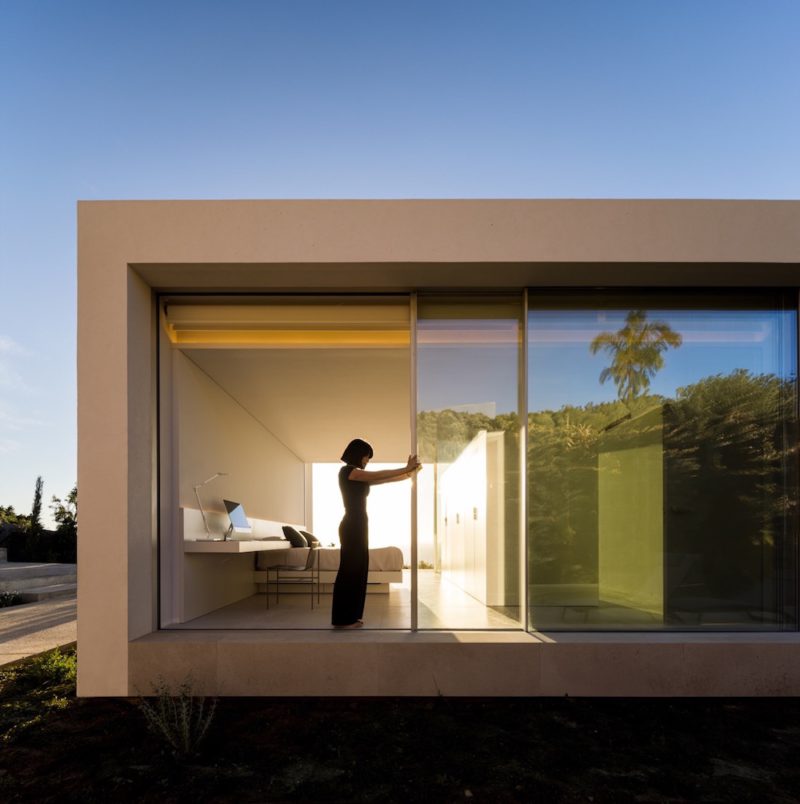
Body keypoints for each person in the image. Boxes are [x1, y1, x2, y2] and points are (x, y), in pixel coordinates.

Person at [331, 438, 421, 629]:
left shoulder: (360, 477)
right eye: (366, 457)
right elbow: (379, 473)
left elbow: (385, 478)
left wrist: (408, 473)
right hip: (352, 526)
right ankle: (342, 619)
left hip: (360, 525)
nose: (367, 461)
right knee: (350, 570)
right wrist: (405, 467)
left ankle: (351, 616)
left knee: (359, 570)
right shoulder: (347, 471)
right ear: (358, 454)